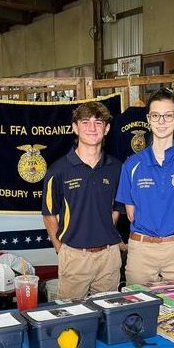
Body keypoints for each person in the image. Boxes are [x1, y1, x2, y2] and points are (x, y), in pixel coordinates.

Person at [116, 88, 174, 284]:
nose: (162, 122)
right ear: (148, 119)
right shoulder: (132, 165)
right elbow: (131, 214)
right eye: (156, 116)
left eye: (168, 115)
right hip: (141, 250)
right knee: (138, 310)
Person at [42, 101, 122, 300]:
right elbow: (49, 214)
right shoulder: (58, 170)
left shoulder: (117, 168)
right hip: (74, 257)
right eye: (85, 122)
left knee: (109, 316)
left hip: (109, 258)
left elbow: (116, 209)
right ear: (75, 128)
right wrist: (62, 250)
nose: (92, 128)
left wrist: (102, 236)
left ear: (107, 128)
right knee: (72, 317)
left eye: (98, 122)